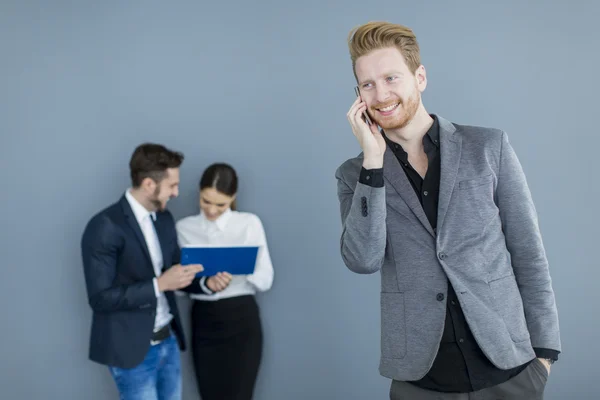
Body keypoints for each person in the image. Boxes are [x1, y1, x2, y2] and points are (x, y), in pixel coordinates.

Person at [335, 21, 561, 399]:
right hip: (421, 380)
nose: (381, 94)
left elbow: (528, 253)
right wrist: (373, 166)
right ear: (358, 95)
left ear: (419, 77)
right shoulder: (354, 175)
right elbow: (363, 260)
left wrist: (545, 354)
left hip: (511, 369)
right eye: (368, 84)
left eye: (391, 78)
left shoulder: (488, 147)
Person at [80, 143, 204, 400]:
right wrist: (158, 285)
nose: (177, 193)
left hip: (168, 342)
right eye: (172, 186)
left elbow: (175, 274)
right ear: (149, 184)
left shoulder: (165, 219)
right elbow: (100, 298)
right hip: (133, 350)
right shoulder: (104, 226)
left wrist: (206, 284)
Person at [176, 162, 274, 400]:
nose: (211, 210)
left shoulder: (249, 223)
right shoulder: (183, 228)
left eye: (220, 204)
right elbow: (178, 288)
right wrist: (205, 282)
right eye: (206, 201)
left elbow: (266, 280)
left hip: (241, 320)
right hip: (204, 320)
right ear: (199, 193)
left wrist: (239, 265)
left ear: (233, 198)